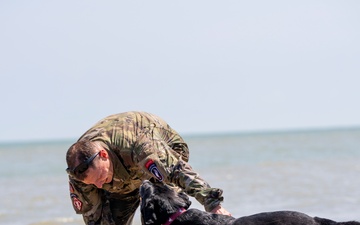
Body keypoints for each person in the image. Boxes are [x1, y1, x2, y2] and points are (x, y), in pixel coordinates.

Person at [66, 111, 231, 225]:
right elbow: (93, 216)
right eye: (94, 183)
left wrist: (213, 203)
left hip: (163, 157)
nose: (100, 186)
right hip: (122, 177)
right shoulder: (79, 173)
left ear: (103, 155)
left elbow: (178, 172)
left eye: (100, 177)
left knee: (168, 217)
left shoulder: (140, 145)